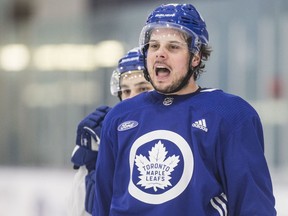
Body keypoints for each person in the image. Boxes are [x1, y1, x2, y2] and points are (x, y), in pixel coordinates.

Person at [93, 3, 277, 216]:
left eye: (173, 47)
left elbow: (254, 206)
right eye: (154, 46)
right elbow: (103, 205)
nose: (160, 54)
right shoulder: (120, 117)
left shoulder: (231, 115)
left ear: (196, 57)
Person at [69, 47, 153, 216]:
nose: (131, 99)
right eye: (126, 91)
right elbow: (78, 209)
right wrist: (94, 167)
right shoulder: (103, 134)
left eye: (143, 89)